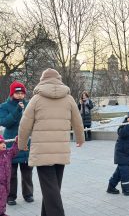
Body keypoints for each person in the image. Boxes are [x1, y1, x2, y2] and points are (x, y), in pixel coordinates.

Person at [18, 68, 85, 216]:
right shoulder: (69, 99)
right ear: (59, 79)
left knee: (50, 189)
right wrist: (80, 138)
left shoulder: (36, 99)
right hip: (60, 151)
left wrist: (22, 144)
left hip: (42, 153)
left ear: (42, 80)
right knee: (53, 188)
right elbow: (78, 122)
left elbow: (24, 124)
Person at [0, 81, 34, 206]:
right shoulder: (4, 106)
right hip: (11, 144)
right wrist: (16, 111)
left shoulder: (29, 105)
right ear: (12, 93)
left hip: (26, 143)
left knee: (27, 172)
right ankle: (11, 196)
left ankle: (28, 194)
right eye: (17, 93)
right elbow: (4, 122)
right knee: (11, 173)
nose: (20, 95)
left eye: (22, 93)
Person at [0, 135, 19, 216]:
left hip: (6, 182)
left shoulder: (7, 153)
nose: (3, 144)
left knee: (4, 198)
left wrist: (16, 142)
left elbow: (14, 151)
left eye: (3, 142)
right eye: (0, 143)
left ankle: (2, 212)